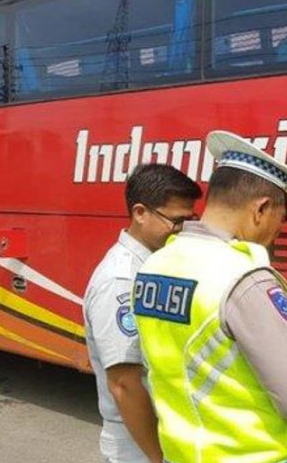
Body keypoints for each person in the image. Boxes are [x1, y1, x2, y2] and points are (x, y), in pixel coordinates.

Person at [132, 131, 287, 463]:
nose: (279, 231)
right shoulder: (243, 280)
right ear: (260, 209)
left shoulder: (155, 265)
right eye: (282, 218)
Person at [84, 163, 202, 463]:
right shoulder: (121, 281)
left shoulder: (155, 266)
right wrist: (158, 457)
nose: (183, 230)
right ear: (140, 213)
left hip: (162, 433)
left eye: (190, 220)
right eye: (176, 221)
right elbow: (125, 384)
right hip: (138, 444)